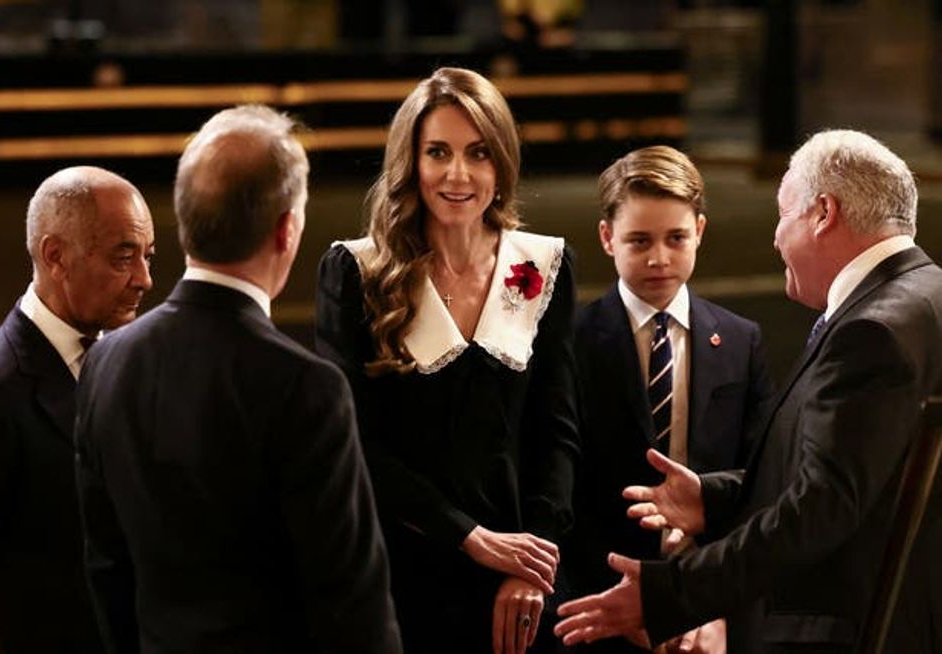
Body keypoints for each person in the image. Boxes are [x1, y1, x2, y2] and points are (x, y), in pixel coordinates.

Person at [554, 129, 942, 653]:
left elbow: (820, 507)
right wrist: (714, 498)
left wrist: (675, 594)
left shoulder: (868, 331)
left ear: (822, 212)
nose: (777, 238)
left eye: (783, 216)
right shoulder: (927, 293)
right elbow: (851, 475)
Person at [74, 105, 402, 653]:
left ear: (184, 219)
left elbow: (107, 570)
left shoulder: (107, 362)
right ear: (287, 230)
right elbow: (351, 604)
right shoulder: (306, 386)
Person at [315, 67, 579, 654]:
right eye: (438, 152)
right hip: (402, 576)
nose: (459, 174)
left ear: (502, 163)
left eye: (478, 153)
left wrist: (529, 559)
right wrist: (471, 538)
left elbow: (557, 435)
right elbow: (352, 443)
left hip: (520, 583)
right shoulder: (356, 272)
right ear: (410, 160)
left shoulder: (543, 265)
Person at [566, 146, 773, 654]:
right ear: (606, 238)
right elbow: (562, 489)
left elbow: (761, 478)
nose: (659, 257)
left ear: (699, 231)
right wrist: (628, 607)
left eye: (676, 238)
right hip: (602, 601)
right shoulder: (570, 343)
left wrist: (716, 604)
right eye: (639, 240)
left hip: (709, 605)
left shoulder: (741, 340)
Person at [0, 166, 155, 653]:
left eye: (148, 257)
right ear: (55, 256)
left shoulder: (134, 359)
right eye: (124, 257)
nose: (145, 280)